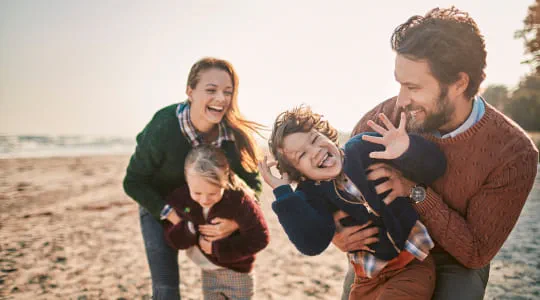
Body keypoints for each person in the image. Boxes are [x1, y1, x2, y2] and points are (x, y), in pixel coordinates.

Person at [336, 7, 539, 300]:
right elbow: (336, 182)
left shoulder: (513, 154)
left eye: (413, 87)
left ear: (459, 83)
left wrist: (414, 192)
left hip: (456, 259)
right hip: (390, 244)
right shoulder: (386, 116)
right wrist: (337, 232)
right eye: (399, 84)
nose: (401, 100)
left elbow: (475, 252)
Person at [258, 105, 447, 299]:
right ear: (300, 174)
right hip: (366, 277)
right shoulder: (311, 194)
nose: (314, 151)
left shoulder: (363, 148)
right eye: (302, 155)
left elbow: (435, 166)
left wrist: (406, 149)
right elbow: (312, 243)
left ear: (327, 135)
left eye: (315, 139)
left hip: (411, 261)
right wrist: (284, 193)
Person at [123, 57, 263, 299]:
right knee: (166, 287)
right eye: (211, 90)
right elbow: (133, 182)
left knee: (227, 279)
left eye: (227, 92)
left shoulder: (232, 135)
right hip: (160, 206)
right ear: (190, 91)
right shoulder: (164, 125)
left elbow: (253, 185)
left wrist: (235, 222)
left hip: (209, 208)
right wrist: (172, 214)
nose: (221, 98)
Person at [163, 145, 269, 300]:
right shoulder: (181, 199)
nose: (204, 200)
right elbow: (174, 240)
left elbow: (260, 237)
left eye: (213, 193)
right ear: (187, 180)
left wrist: (218, 248)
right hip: (208, 272)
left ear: (225, 179)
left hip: (238, 273)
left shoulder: (239, 200)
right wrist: (189, 229)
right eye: (197, 193)